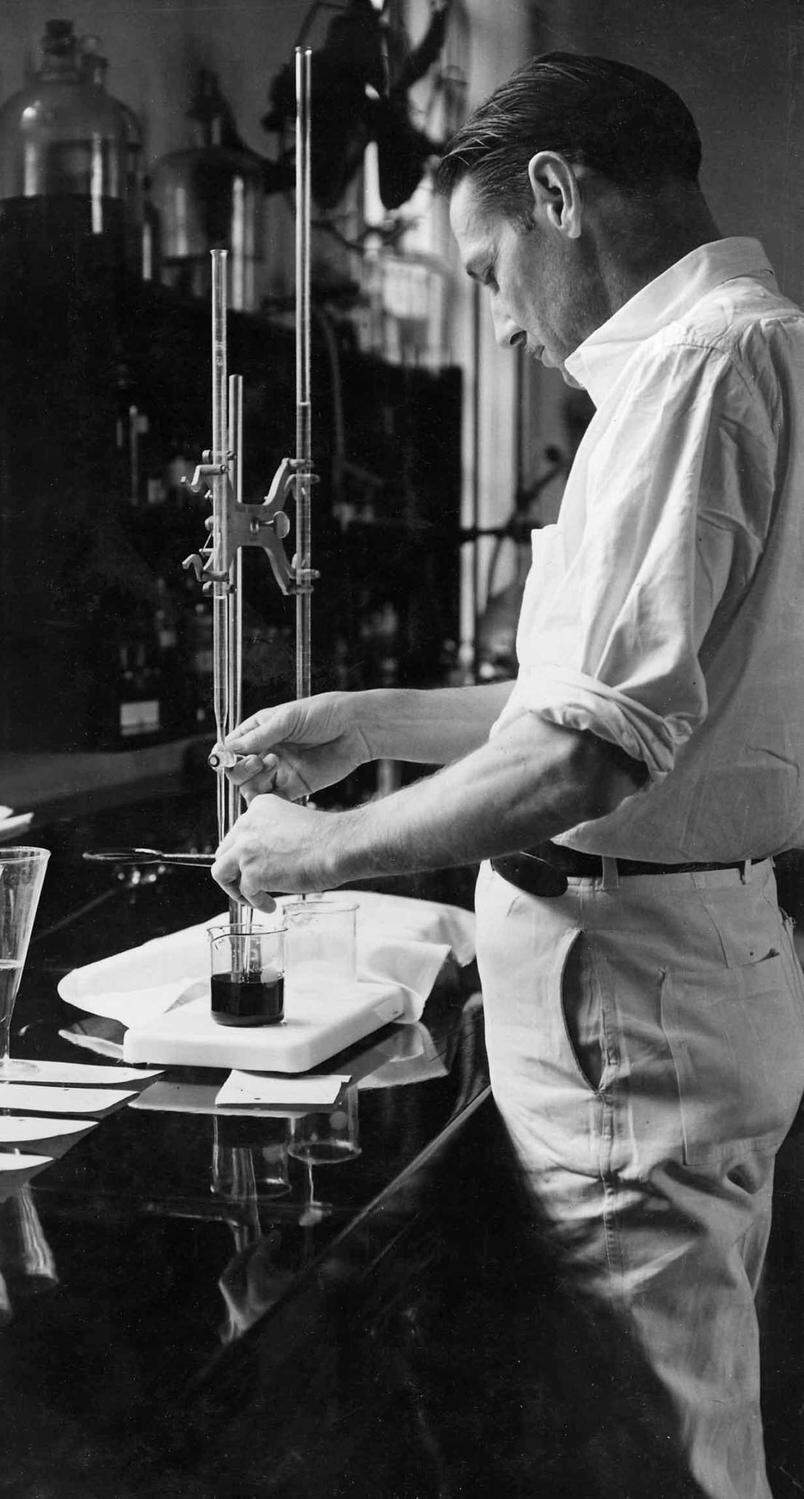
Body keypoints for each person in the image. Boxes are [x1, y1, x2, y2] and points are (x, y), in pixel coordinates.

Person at [210, 52, 804, 1499]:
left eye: (489, 272)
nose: (505, 320)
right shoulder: (761, 341)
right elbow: (617, 699)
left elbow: (581, 756)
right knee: (667, 1403)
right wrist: (374, 721)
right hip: (678, 967)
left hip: (629, 989)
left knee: (646, 1437)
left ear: (558, 193)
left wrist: (312, 853)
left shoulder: (690, 369)